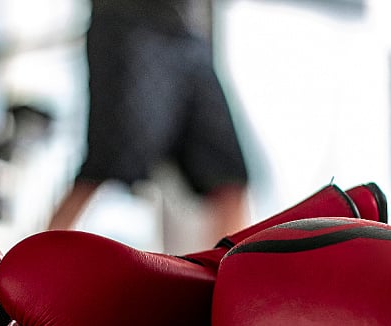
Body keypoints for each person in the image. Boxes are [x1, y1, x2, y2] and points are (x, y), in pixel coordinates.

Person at [47, 0, 250, 244]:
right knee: (105, 165)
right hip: (128, 24)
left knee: (229, 178)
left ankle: (234, 268)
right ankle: (35, 262)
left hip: (189, 32)